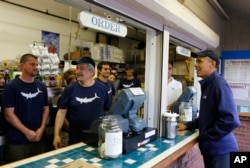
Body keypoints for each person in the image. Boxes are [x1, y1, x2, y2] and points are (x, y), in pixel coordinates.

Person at [177, 50, 240, 168]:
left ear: (212, 64)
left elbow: (231, 120)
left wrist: (206, 135)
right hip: (213, 150)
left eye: (199, 61)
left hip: (220, 151)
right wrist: (188, 125)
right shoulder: (208, 85)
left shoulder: (218, 84)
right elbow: (208, 116)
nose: (195, 65)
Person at [53, 57, 111, 149]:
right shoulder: (70, 89)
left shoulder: (102, 88)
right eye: (77, 68)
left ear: (92, 72)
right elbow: (61, 112)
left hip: (97, 136)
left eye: (82, 68)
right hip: (75, 138)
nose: (78, 71)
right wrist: (56, 134)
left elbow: (107, 110)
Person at [2, 53, 49, 162]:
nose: (36, 67)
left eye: (37, 65)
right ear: (22, 65)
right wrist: (26, 131)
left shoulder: (41, 86)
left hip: (39, 138)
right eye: (32, 64)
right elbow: (8, 114)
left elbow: (45, 109)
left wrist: (42, 129)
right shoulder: (11, 87)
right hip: (17, 141)